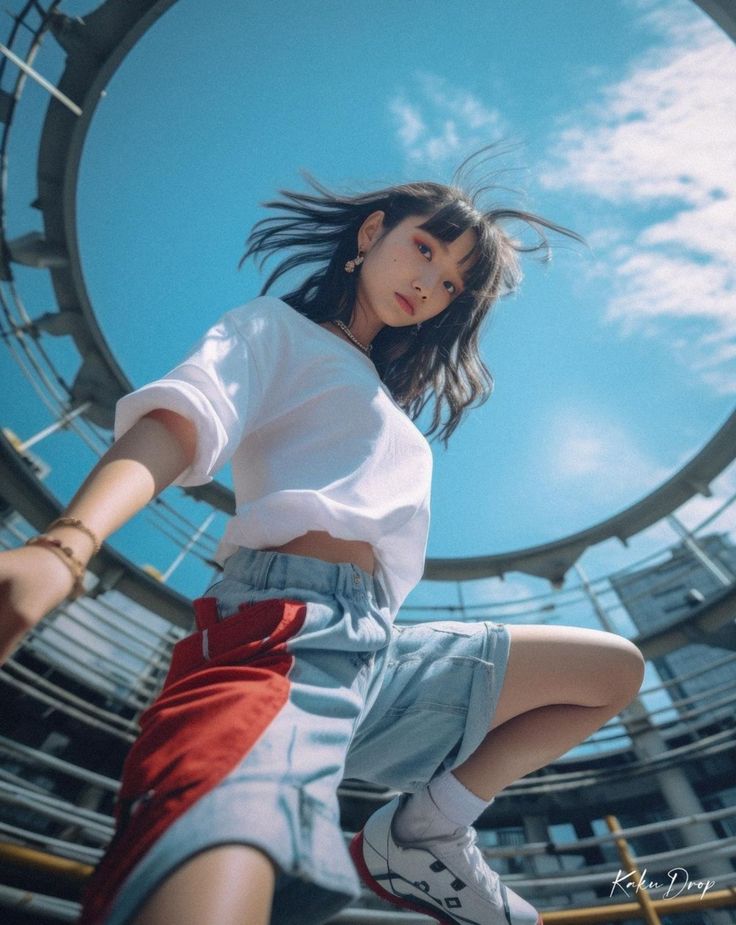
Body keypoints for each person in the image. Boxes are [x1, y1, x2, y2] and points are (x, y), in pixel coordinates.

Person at [0, 163, 645, 925]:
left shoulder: (384, 399)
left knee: (610, 671)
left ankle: (422, 833)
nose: (430, 284)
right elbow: (183, 421)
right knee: (215, 858)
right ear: (372, 233)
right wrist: (67, 544)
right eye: (427, 249)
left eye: (451, 285)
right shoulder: (279, 329)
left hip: (380, 648)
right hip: (287, 628)